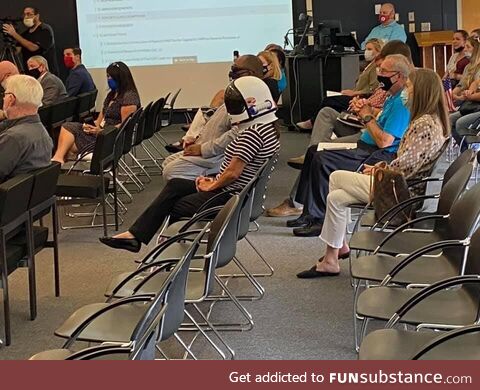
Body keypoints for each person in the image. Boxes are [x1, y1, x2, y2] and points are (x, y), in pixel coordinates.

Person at [297, 68, 449, 278]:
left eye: (410, 87)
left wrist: (379, 171)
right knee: (336, 198)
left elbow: (406, 167)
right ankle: (332, 257)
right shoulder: (430, 119)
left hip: (401, 193)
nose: (406, 91)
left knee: (336, 176)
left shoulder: (423, 124)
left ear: (421, 91)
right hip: (401, 185)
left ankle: (338, 248)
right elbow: (409, 163)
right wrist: (381, 170)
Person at [99, 76, 280, 253]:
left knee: (174, 204)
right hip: (235, 193)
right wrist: (212, 181)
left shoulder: (252, 133)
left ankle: (170, 250)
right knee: (175, 184)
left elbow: (233, 173)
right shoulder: (267, 128)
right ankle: (137, 237)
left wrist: (213, 185)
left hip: (228, 196)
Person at [267, 41, 413, 218]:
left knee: (319, 156)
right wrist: (363, 108)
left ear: (398, 74)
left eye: (383, 70)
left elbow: (385, 141)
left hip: (371, 146)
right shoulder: (392, 93)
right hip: (366, 133)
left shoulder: (401, 99)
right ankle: (304, 207)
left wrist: (366, 114)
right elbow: (380, 113)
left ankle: (307, 210)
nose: (379, 72)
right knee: (318, 142)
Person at [162, 55, 266, 181]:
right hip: (207, 149)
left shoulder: (251, 99)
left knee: (171, 172)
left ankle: (206, 184)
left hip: (216, 157)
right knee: (167, 163)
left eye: (236, 70)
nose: (231, 73)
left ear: (250, 74)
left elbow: (237, 134)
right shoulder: (238, 93)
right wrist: (197, 139)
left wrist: (203, 149)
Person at [52, 61, 140, 164]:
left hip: (111, 137)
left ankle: (58, 159)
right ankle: (60, 160)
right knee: (68, 127)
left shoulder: (129, 97)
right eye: (107, 76)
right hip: (100, 133)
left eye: (111, 77)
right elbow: (99, 120)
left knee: (69, 145)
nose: (108, 79)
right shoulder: (111, 95)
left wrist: (102, 131)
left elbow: (125, 125)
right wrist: (91, 127)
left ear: (120, 78)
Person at [296, 38, 384, 131]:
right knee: (330, 102)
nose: (366, 52)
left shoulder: (375, 67)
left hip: (361, 98)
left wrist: (354, 93)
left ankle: (312, 123)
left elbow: (373, 89)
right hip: (357, 95)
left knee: (328, 101)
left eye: (370, 49)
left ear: (378, 51)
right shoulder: (369, 65)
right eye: (366, 49)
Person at [0, 75, 53, 183]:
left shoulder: (13, 138)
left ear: (11, 99)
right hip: (28, 196)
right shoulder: (41, 131)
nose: (3, 98)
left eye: (4, 94)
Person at [2, 7, 58, 75]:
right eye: (24, 14)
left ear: (37, 16)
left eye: (29, 14)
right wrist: (9, 42)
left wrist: (14, 34)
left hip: (45, 74)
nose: (26, 17)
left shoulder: (45, 30)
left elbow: (33, 48)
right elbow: (16, 52)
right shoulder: (25, 34)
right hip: (30, 74)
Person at [451, 37, 480, 148]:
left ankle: (473, 149)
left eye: (468, 47)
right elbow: (466, 84)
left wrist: (469, 96)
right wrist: (453, 94)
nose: (465, 49)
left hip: (476, 105)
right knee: (449, 120)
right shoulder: (468, 66)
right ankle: (464, 152)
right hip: (470, 104)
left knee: (460, 123)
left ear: (476, 49)